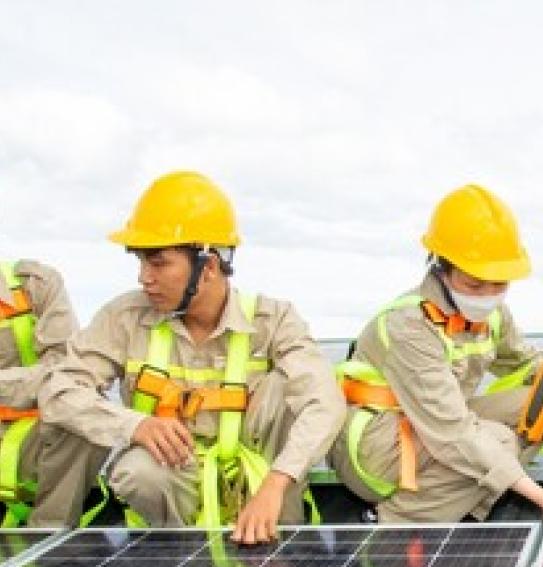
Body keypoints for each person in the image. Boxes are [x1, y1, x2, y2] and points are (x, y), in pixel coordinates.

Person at [40, 171, 344, 543]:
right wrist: (133, 425)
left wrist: (277, 482)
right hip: (173, 488)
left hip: (263, 488)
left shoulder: (274, 320)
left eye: (158, 263)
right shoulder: (123, 318)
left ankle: (280, 541)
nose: (143, 278)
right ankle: (175, 556)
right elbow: (60, 391)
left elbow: (325, 403)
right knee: (136, 472)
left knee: (288, 386)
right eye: (140, 262)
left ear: (209, 267)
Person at [329, 183, 543, 524]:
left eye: (499, 283)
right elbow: (452, 432)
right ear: (441, 267)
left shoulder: (491, 314)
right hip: (376, 443)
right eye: (475, 284)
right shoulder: (409, 326)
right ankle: (393, 522)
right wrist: (540, 497)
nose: (489, 294)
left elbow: (525, 362)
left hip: (430, 427)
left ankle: (460, 494)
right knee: (498, 443)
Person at [0, 255, 106, 527]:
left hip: (30, 434)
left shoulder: (36, 284)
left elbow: (64, 366)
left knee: (86, 414)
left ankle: (47, 540)